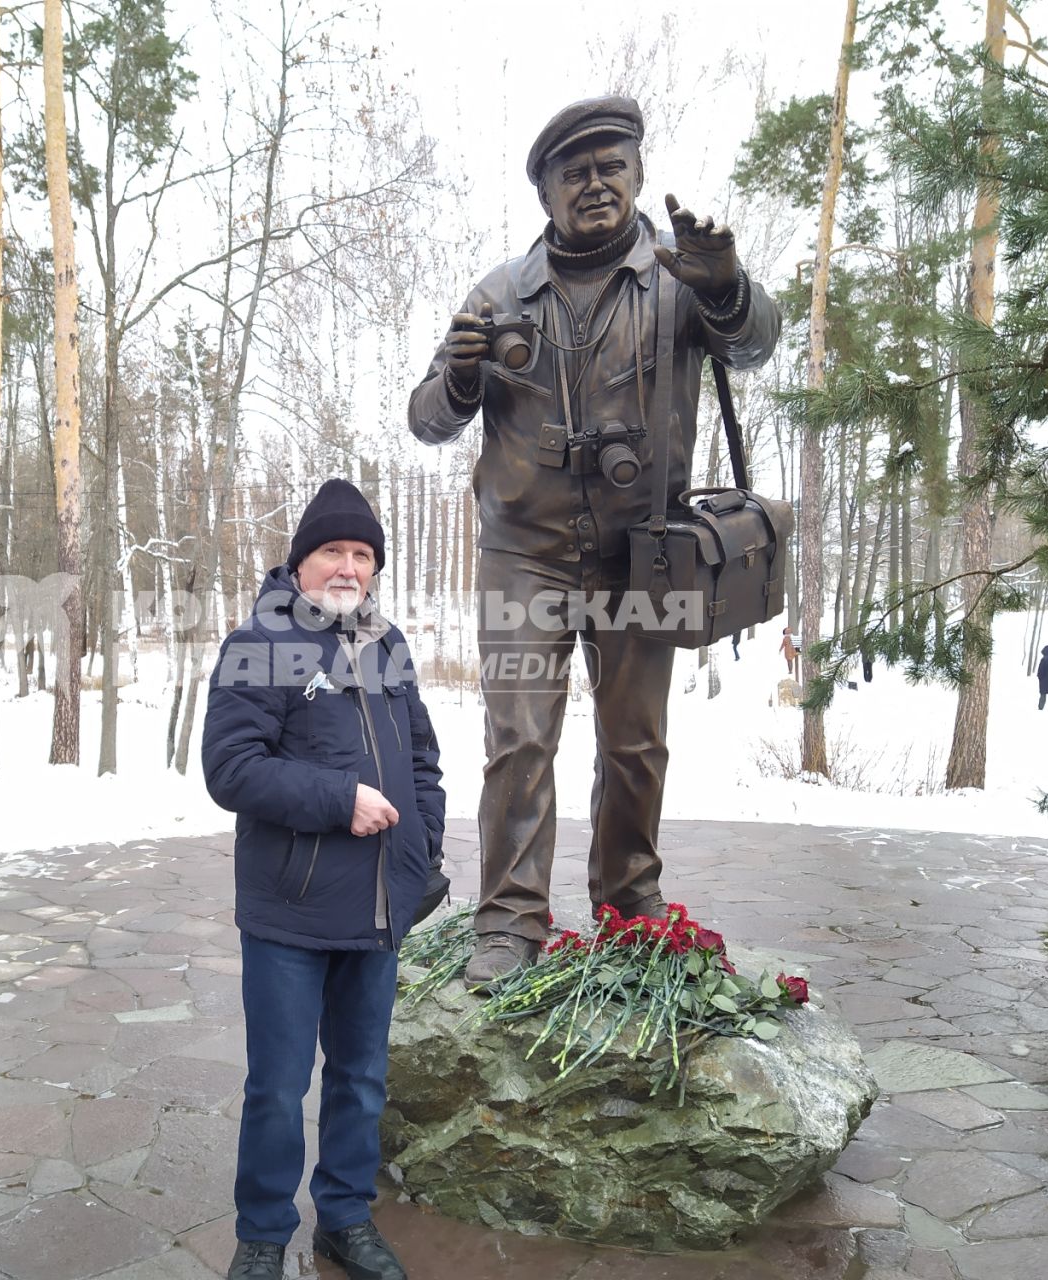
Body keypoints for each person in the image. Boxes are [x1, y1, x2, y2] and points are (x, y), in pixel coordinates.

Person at [409, 94, 781, 988]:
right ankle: (507, 921)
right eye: (571, 173)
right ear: (544, 193)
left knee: (635, 742)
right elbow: (425, 421)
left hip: (644, 550)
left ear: (639, 175)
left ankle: (628, 903)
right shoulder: (499, 293)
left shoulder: (679, 277)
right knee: (519, 738)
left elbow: (756, 343)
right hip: (523, 551)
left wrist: (725, 284)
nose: (594, 185)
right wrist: (459, 378)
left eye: (610, 166)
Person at [202, 478, 445, 1280]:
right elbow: (231, 769)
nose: (348, 567)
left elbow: (421, 763)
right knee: (275, 1086)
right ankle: (263, 1235)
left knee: (361, 1079)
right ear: (302, 561)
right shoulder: (259, 641)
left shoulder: (388, 644)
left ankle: (344, 1218)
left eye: (362, 554)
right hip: (289, 910)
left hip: (377, 907)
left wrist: (420, 859)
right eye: (332, 552)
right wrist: (338, 800)